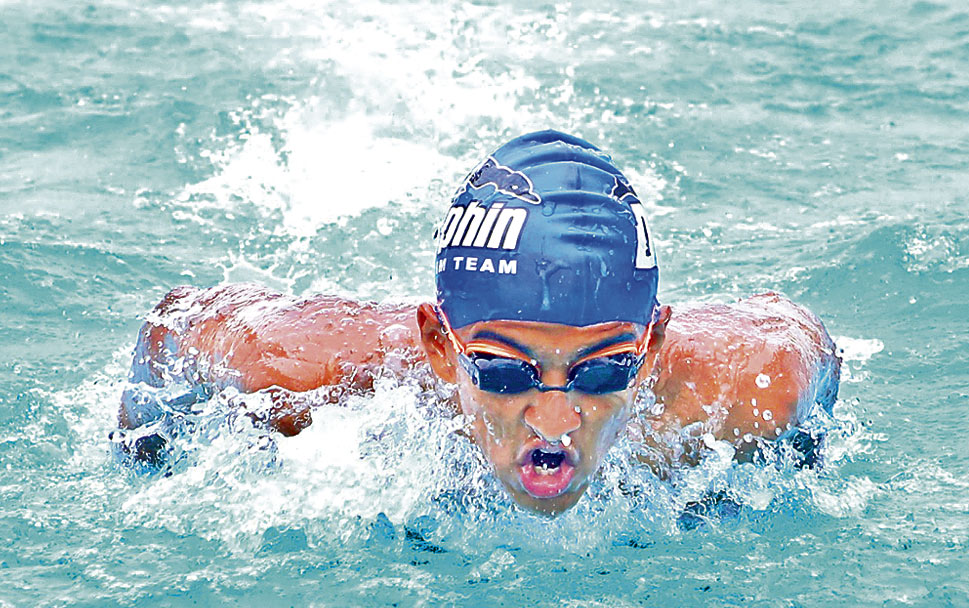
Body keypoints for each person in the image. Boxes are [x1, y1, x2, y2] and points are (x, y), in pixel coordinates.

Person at [114, 130, 840, 516]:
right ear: (439, 346)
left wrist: (772, 473)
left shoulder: (748, 387)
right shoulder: (301, 372)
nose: (554, 420)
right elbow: (170, 328)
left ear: (650, 349)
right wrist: (144, 460)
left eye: (603, 370)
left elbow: (809, 345)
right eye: (502, 370)